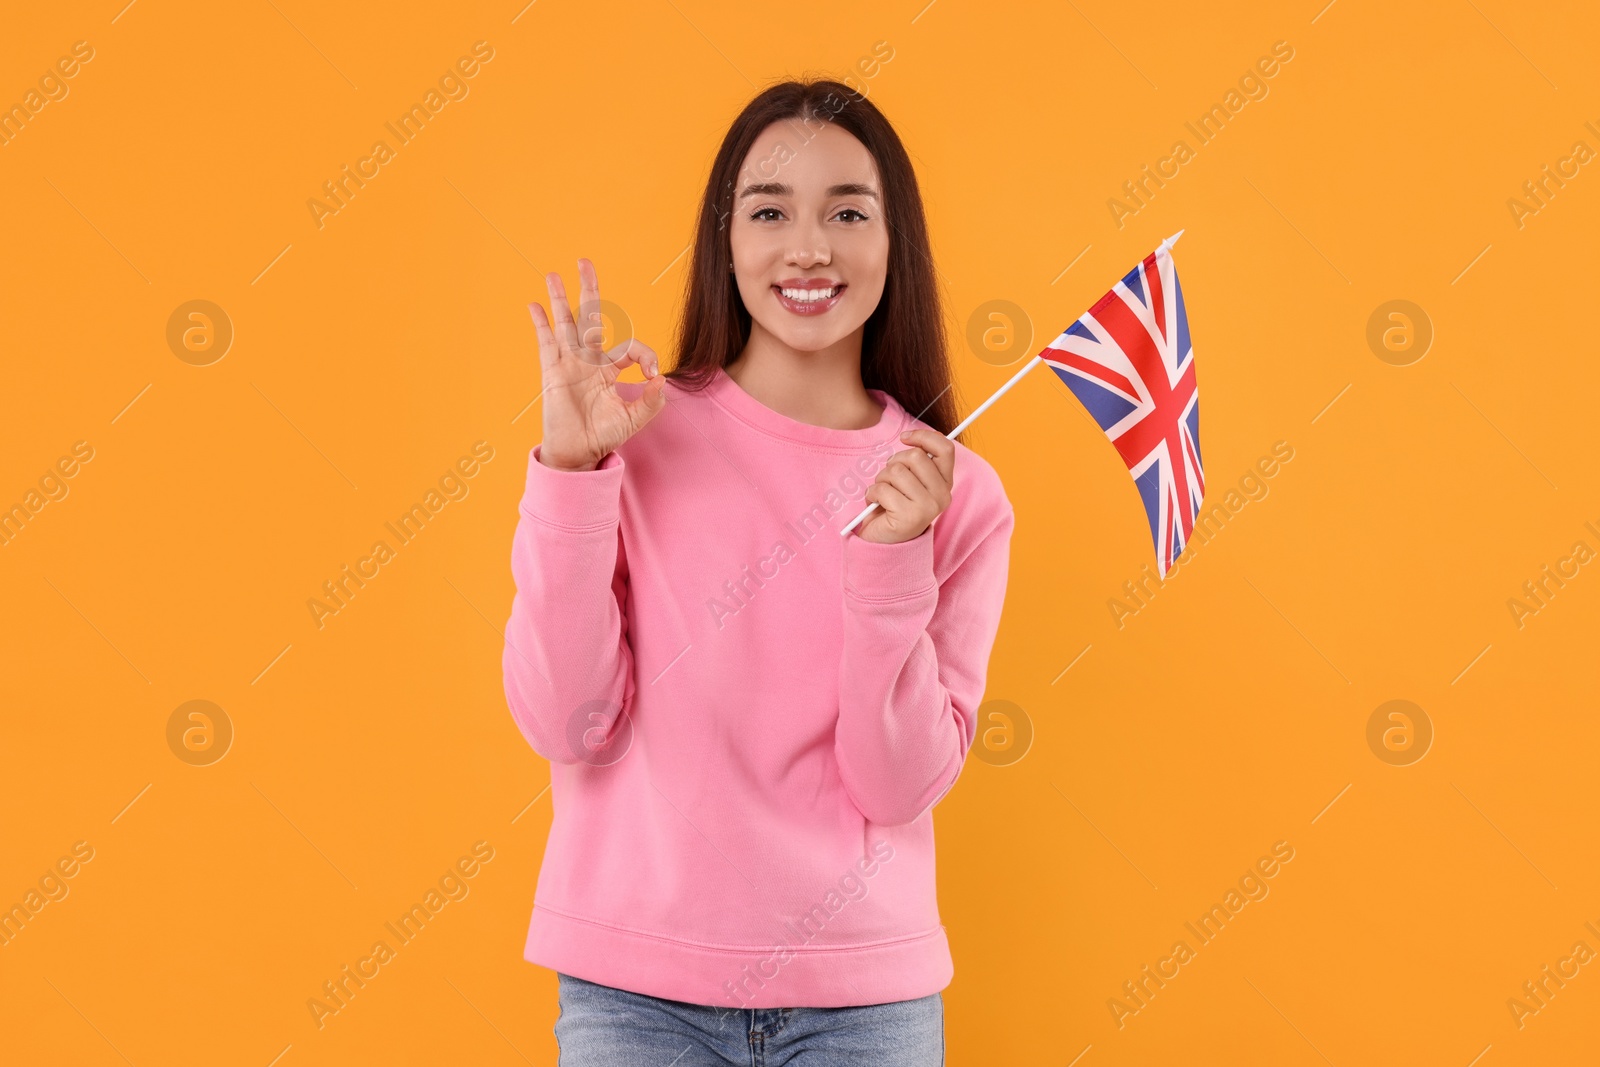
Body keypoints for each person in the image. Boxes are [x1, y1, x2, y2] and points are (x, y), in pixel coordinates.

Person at [503, 77, 1014, 1066]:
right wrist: (570, 474)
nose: (808, 246)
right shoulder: (632, 436)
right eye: (770, 211)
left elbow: (895, 781)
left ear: (892, 241)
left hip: (865, 1004)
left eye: (847, 213)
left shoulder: (956, 490)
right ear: (724, 240)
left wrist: (891, 562)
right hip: (635, 995)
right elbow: (563, 718)